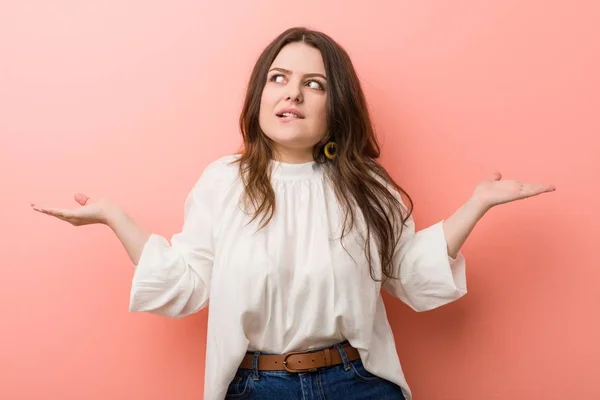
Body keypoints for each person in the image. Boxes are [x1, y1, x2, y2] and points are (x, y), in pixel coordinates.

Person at [31, 27, 555, 400]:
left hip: (360, 383)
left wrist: (477, 204)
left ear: (336, 105)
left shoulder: (366, 185)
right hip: (256, 387)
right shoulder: (224, 181)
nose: (293, 93)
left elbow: (412, 277)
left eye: (314, 83)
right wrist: (114, 217)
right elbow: (186, 284)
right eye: (279, 78)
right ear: (260, 95)